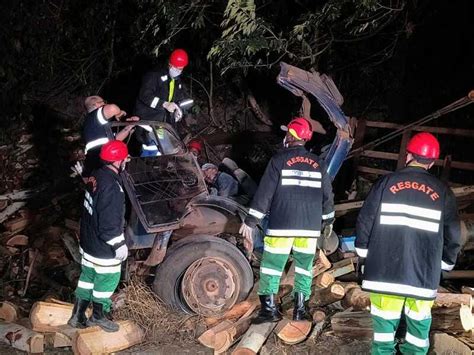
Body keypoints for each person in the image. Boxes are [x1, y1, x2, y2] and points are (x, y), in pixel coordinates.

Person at [355, 132, 461, 354]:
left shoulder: (386, 183)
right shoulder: (443, 192)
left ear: (408, 156)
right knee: (418, 335)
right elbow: (453, 233)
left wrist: (363, 253)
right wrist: (446, 263)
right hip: (423, 276)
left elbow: (365, 220)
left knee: (383, 333)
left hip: (384, 273)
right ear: (432, 162)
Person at [239, 117, 334, 323]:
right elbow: (328, 195)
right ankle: (300, 310)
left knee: (272, 266)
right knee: (303, 268)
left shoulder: (278, 161)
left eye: (287, 133)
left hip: (282, 225)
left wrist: (250, 221)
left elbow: (265, 194)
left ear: (291, 136)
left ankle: (270, 310)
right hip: (309, 228)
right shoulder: (319, 163)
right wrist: (328, 220)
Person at [68, 140, 130, 332]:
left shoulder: (96, 175)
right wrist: (118, 244)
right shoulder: (112, 187)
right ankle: (98, 316)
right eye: (125, 158)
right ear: (119, 161)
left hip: (88, 242)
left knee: (87, 278)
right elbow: (108, 222)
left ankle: (77, 317)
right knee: (107, 280)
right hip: (103, 248)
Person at [82, 96, 137, 178]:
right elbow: (112, 108)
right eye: (103, 102)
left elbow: (115, 139)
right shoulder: (95, 115)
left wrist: (128, 128)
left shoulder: (93, 124)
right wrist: (119, 113)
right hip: (102, 161)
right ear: (97, 104)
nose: (105, 104)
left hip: (97, 162)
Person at [134, 49, 192, 125]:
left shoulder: (177, 81)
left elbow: (179, 99)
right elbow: (145, 95)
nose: (178, 71)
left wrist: (178, 110)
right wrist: (163, 104)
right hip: (146, 119)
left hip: (163, 121)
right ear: (170, 64)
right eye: (176, 68)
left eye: (181, 68)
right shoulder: (154, 75)